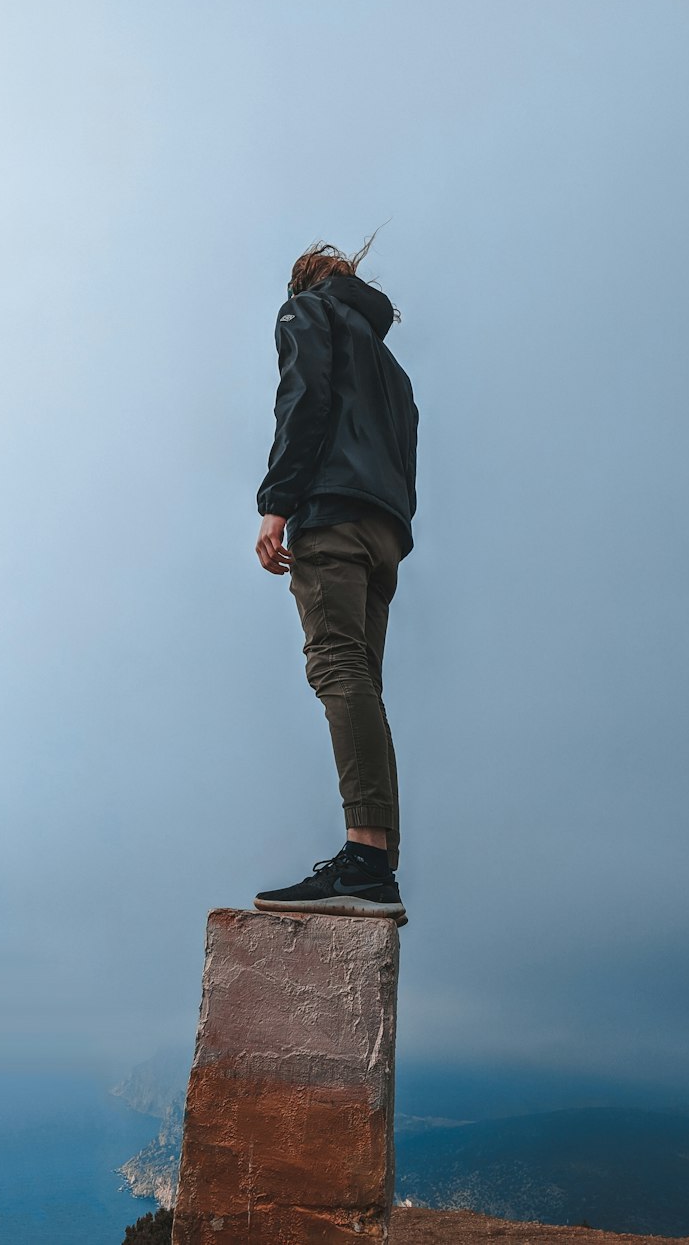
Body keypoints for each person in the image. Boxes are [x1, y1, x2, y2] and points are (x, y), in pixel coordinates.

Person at [253, 237, 418, 926]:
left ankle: (362, 856)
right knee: (362, 679)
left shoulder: (305, 315)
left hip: (335, 518)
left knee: (337, 667)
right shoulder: (391, 366)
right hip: (386, 530)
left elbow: (304, 400)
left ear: (305, 284)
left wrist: (276, 504)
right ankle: (373, 860)